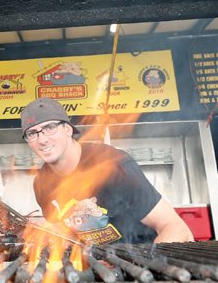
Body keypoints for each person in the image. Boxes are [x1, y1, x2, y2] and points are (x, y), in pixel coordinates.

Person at [21, 97, 194, 244]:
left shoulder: (114, 165)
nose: (42, 139)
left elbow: (176, 227)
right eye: (32, 133)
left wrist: (149, 269)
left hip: (141, 265)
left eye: (50, 128)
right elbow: (66, 237)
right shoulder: (42, 183)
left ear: (67, 129)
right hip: (95, 271)